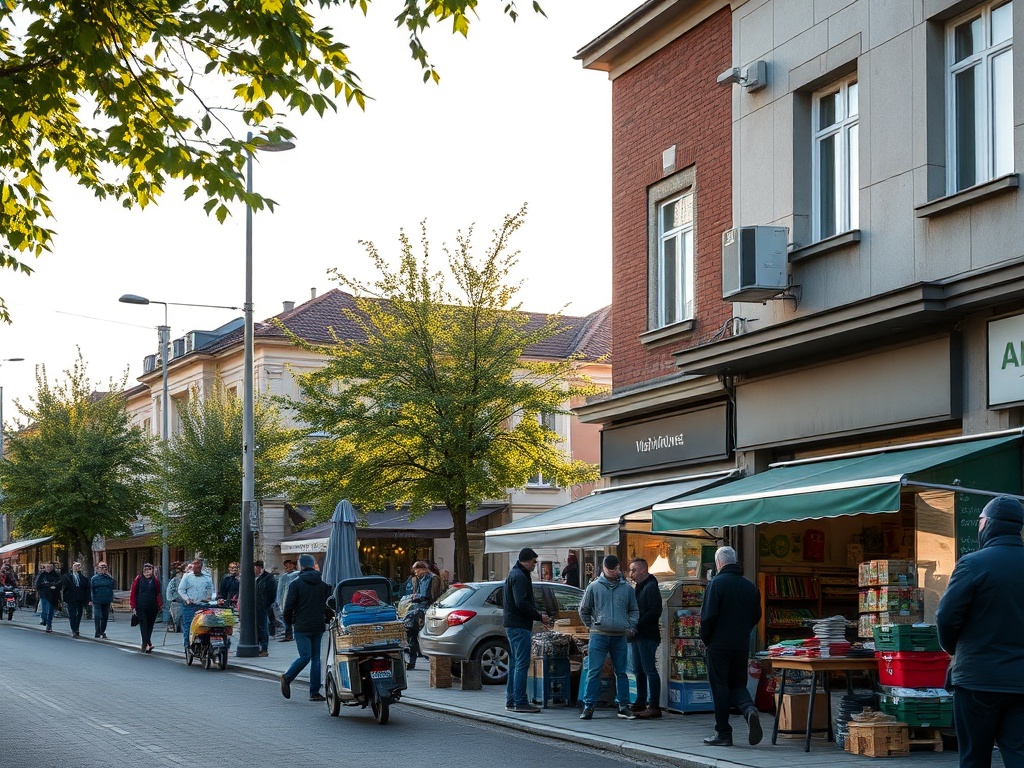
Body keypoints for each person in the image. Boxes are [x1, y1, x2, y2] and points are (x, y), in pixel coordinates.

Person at [936, 495, 1024, 768]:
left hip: (977, 677)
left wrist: (952, 649)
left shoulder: (973, 563)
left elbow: (946, 616)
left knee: (974, 756)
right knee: (1019, 754)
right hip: (1021, 680)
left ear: (988, 524)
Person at [699, 545, 762, 747]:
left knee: (719, 687)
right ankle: (749, 709)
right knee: (737, 684)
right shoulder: (749, 586)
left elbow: (708, 617)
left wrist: (706, 639)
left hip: (718, 644)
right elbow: (756, 615)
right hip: (740, 644)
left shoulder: (716, 584)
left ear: (719, 563)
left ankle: (723, 733)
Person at [578, 555, 639, 721]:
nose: (613, 571)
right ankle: (588, 706)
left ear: (619, 567)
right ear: (603, 568)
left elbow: (634, 609)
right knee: (594, 670)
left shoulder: (627, 588)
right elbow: (583, 609)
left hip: (619, 636)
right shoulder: (594, 587)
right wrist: (593, 625)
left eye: (615, 568)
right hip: (599, 635)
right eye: (610, 568)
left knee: (622, 672)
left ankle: (624, 706)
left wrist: (630, 625)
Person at [280, 553, 333, 702]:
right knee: (316, 658)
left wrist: (288, 626)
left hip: (302, 625)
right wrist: (329, 618)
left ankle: (287, 677)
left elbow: (288, 607)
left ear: (301, 566)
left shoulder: (295, 584)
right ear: (313, 565)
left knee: (305, 656)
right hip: (318, 625)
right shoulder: (323, 586)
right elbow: (327, 606)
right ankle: (314, 692)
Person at [502, 547, 549, 714]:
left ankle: (512, 699)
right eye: (534, 562)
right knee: (522, 663)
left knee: (515, 663)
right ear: (527, 560)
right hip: (519, 625)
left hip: (513, 624)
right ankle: (520, 701)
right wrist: (538, 615)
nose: (535, 566)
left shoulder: (514, 574)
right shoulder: (520, 577)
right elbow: (521, 602)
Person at [628, 557, 663, 719]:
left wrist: (637, 626)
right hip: (638, 634)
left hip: (647, 634)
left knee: (649, 669)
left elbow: (654, 611)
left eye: (633, 570)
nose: (631, 574)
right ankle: (640, 701)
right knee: (638, 669)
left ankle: (654, 705)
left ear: (643, 570)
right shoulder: (640, 587)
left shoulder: (650, 587)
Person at [404, 560, 440, 670]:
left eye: (417, 570)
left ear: (423, 569)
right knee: (411, 632)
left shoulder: (433, 578)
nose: (416, 573)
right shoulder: (417, 580)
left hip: (426, 609)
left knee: (424, 635)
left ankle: (432, 660)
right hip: (416, 609)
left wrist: (425, 600)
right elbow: (415, 592)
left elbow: (434, 596)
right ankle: (412, 661)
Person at [177, 558, 214, 650]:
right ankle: (188, 646)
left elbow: (211, 589)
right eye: (195, 564)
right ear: (192, 566)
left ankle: (205, 644)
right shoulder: (187, 576)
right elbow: (181, 590)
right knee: (189, 625)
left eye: (199, 564)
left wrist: (211, 597)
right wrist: (187, 599)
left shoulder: (207, 576)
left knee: (205, 626)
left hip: (203, 605)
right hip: (190, 606)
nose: (197, 566)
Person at [130, 563, 162, 653]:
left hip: (152, 606)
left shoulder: (155, 581)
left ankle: (147, 642)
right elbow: (133, 593)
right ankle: (145, 643)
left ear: (152, 571)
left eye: (149, 570)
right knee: (143, 624)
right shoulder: (138, 580)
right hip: (140, 606)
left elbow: (158, 594)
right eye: (145, 570)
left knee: (150, 625)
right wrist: (133, 606)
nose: (147, 572)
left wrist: (159, 605)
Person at [61, 561, 91, 638]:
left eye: (79, 566)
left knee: (79, 614)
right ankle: (74, 629)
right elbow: (64, 586)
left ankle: (77, 627)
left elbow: (87, 589)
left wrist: (88, 599)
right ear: (72, 567)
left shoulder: (83, 578)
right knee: (72, 615)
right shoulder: (66, 577)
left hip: (80, 598)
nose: (77, 568)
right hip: (71, 598)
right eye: (76, 566)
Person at [254, 560, 277, 657]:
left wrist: (266, 604)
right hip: (254, 607)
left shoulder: (269, 578)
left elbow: (272, 593)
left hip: (263, 607)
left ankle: (264, 648)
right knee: (256, 627)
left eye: (255, 568)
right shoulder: (254, 578)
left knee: (262, 627)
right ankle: (258, 646)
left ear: (259, 568)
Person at [90, 562, 116, 639]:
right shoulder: (94, 579)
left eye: (105, 567)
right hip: (97, 600)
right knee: (97, 616)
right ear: (98, 569)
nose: (103, 569)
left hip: (107, 600)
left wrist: (111, 598)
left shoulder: (109, 578)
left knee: (105, 616)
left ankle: (102, 631)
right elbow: (91, 589)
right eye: (101, 567)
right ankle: (97, 631)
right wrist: (91, 599)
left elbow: (112, 588)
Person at [35, 562, 62, 633]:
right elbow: (37, 584)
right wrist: (48, 586)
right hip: (45, 595)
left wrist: (55, 586)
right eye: (48, 567)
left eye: (51, 567)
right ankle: (44, 619)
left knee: (51, 611)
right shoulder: (42, 575)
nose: (49, 568)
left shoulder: (56, 575)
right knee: (44, 610)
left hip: (54, 595)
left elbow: (60, 583)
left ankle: (49, 625)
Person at [276, 559, 298, 642]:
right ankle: (289, 634)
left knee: (291, 617)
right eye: (286, 565)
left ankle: (291, 634)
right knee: (286, 617)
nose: (288, 566)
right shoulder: (284, 576)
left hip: (292, 599)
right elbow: (280, 591)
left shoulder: (296, 575)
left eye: (290, 564)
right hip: (285, 599)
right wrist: (279, 602)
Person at [166, 564, 185, 632]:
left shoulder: (174, 580)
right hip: (177, 601)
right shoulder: (176, 580)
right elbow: (179, 591)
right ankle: (176, 628)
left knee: (175, 617)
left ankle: (175, 628)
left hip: (174, 600)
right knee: (177, 617)